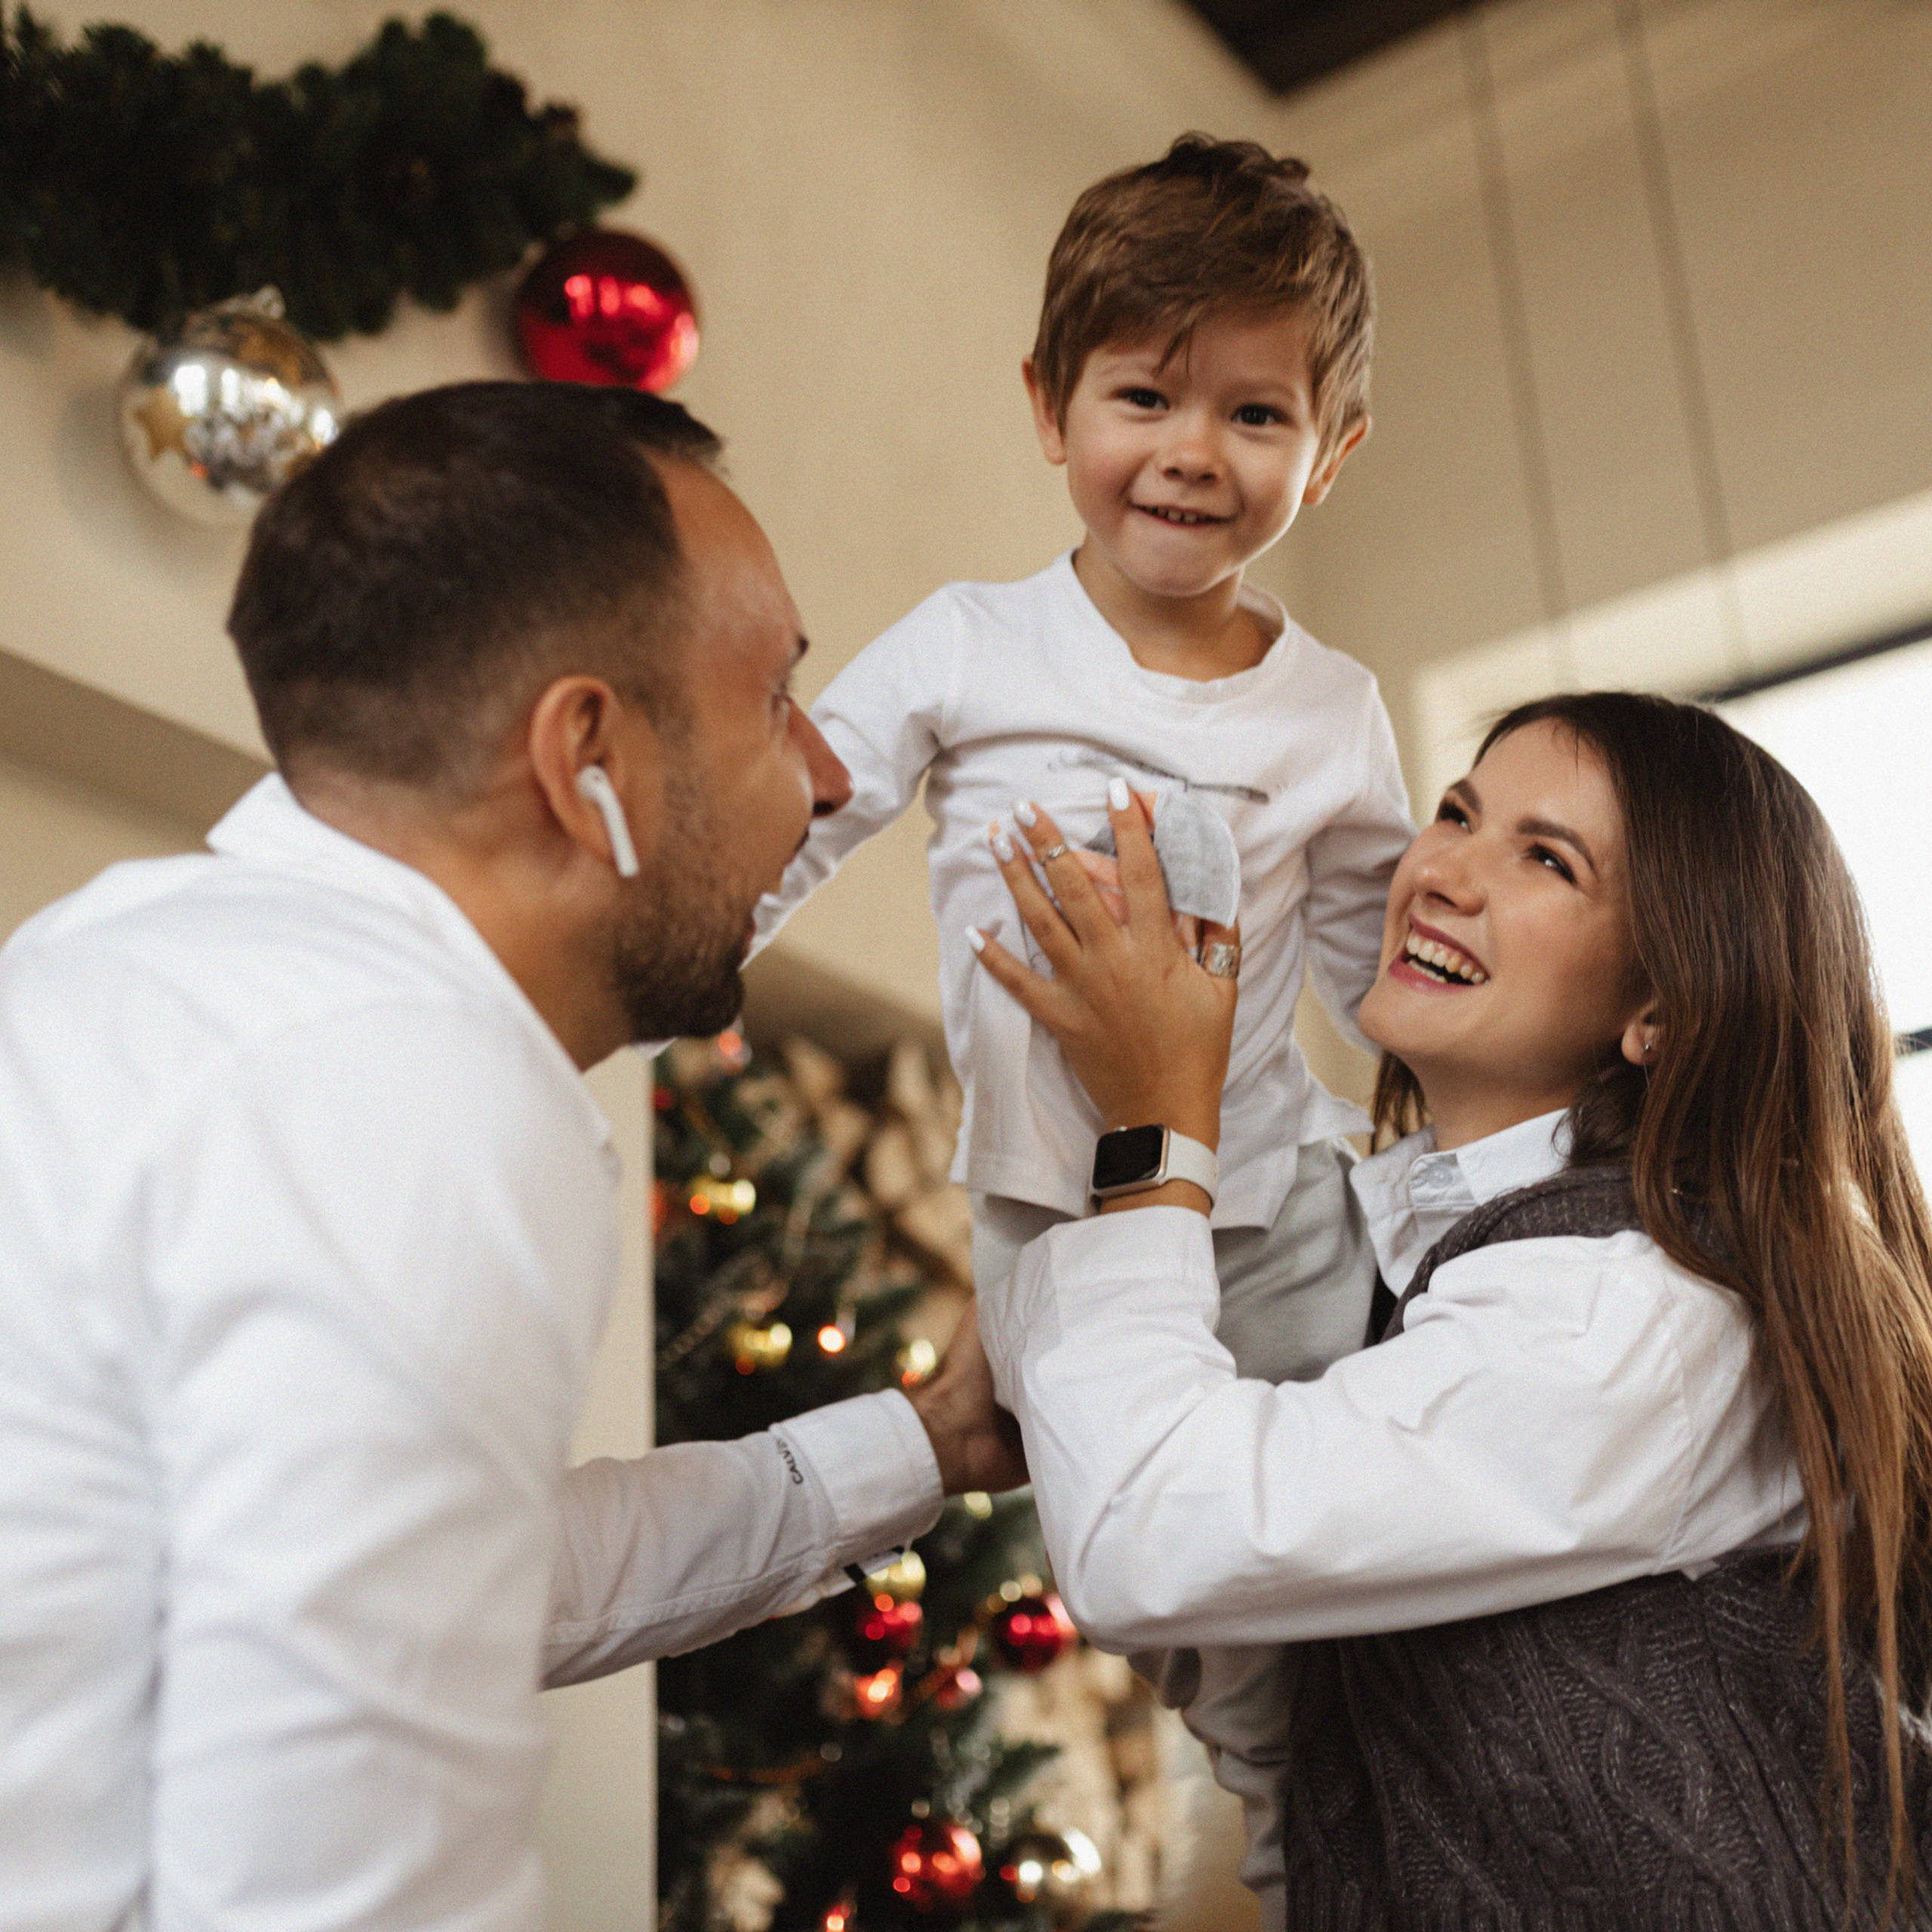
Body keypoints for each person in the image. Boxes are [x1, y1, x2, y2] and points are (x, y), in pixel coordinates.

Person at [0, 380, 1024, 1931]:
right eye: (772, 699)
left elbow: (495, 1571)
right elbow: (341, 1893)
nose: (825, 775)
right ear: (586, 757)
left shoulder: (126, 961)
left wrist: (920, 1446)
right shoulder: (402, 1086)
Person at [969, 691, 1932, 1925]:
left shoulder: (1636, 1310)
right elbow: (1302, 1759)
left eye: (1545, 858)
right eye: (1457, 812)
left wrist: (1154, 1126)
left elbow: (1145, 1539)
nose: (1442, 873)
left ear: (1662, 1010)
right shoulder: (1396, 1277)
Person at [752, 134, 1412, 1387]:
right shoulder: (967, 643)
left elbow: (1389, 984)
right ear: (1052, 406)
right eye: (1147, 398)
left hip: (1270, 1210)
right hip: (1043, 1206)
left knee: (1310, 1531)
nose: (1195, 450)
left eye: (1257, 414)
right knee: (1116, 1532)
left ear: (1331, 454)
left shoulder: (1333, 709)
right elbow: (789, 825)